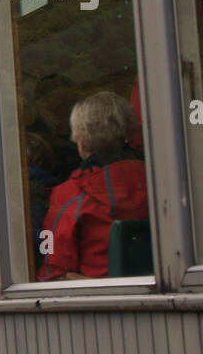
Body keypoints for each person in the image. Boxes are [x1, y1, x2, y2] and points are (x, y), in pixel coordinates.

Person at [38, 91, 148, 280]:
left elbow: (53, 270)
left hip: (102, 300)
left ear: (79, 139)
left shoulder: (72, 194)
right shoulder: (160, 178)